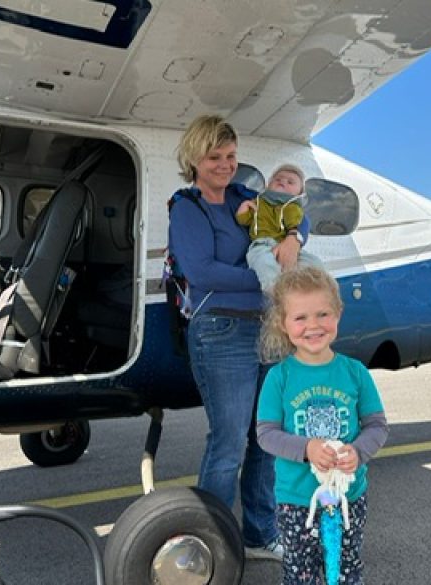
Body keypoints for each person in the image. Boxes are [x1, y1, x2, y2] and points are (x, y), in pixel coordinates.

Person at [168, 114, 306, 560]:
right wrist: (268, 278)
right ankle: (210, 542)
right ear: (194, 158)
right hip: (221, 330)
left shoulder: (245, 196)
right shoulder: (188, 208)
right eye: (215, 157)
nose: (226, 165)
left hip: (267, 327)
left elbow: (291, 210)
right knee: (228, 441)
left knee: (267, 435)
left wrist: (294, 240)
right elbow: (202, 272)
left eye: (231, 156)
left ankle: (259, 534)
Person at [256, 266, 389, 584]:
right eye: (300, 317)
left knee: (346, 571)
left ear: (338, 314)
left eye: (323, 314)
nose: (313, 325)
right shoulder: (279, 377)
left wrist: (358, 452)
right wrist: (307, 448)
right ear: (283, 323)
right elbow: (266, 434)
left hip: (348, 498)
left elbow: (376, 425)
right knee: (299, 574)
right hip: (296, 501)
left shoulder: (355, 372)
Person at [236, 163, 324, 291]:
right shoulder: (259, 201)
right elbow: (244, 220)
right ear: (268, 184)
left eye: (290, 182)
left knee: (314, 263)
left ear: (299, 193)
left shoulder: (293, 207)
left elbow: (296, 224)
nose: (283, 182)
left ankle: (315, 294)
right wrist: (243, 209)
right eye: (278, 179)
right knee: (264, 264)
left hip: (286, 244)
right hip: (262, 244)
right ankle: (277, 293)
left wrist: (292, 212)